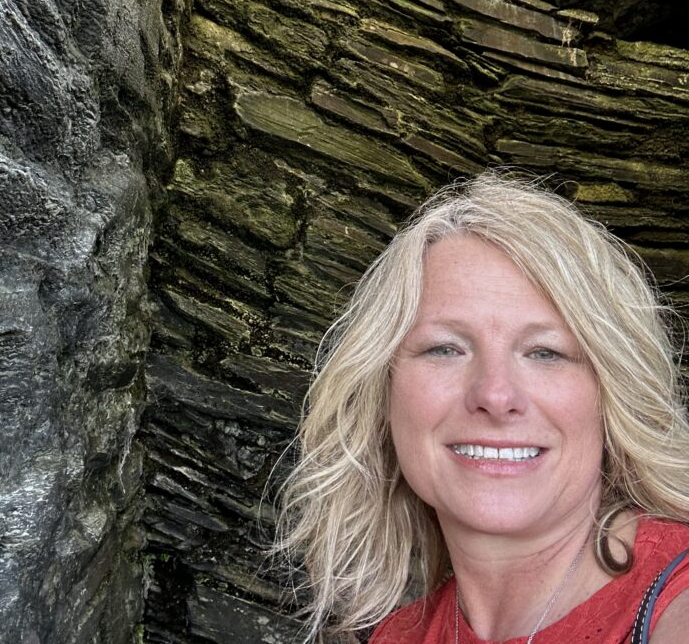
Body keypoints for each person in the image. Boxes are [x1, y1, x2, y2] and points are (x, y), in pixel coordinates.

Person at [275, 172, 689, 643]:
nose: (495, 396)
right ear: (383, 393)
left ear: (612, 394)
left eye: (545, 352)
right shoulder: (397, 636)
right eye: (445, 349)